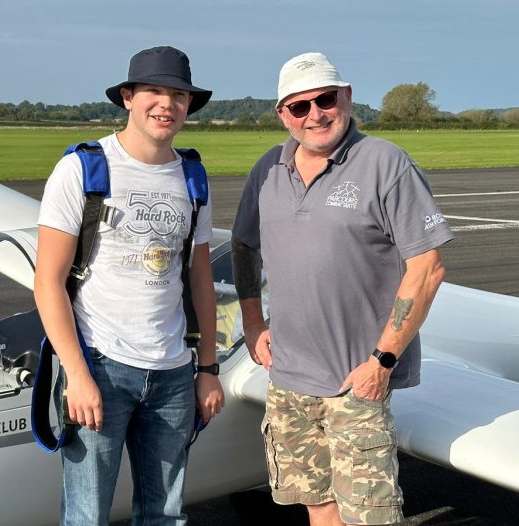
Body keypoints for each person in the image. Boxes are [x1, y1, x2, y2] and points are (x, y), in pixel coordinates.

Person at [231, 52, 453, 525]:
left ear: (347, 97)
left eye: (325, 99)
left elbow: (427, 268)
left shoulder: (385, 162)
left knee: (370, 517)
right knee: (318, 506)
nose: (315, 114)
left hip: (357, 382)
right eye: (299, 106)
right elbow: (244, 243)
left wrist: (382, 361)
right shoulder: (268, 169)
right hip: (288, 378)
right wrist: (252, 323)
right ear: (283, 114)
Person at [34, 46, 225, 525]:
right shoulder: (82, 168)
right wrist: (77, 374)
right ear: (127, 97)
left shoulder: (193, 177)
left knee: (165, 514)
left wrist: (207, 368)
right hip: (100, 365)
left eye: (179, 95)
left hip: (174, 372)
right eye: (154, 91)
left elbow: (199, 277)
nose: (167, 104)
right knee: (88, 514)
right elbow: (48, 282)